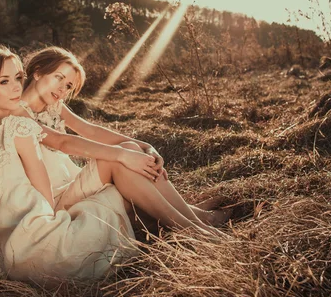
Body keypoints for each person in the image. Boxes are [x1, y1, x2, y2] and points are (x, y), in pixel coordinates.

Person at [0, 45, 145, 286]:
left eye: (18, 77)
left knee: (111, 206)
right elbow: (46, 186)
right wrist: (60, 219)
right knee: (109, 204)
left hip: (10, 256)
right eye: (4, 82)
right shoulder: (14, 126)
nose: (17, 86)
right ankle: (181, 224)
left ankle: (179, 218)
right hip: (41, 252)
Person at [16, 46, 231, 235]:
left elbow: (90, 130)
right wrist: (124, 154)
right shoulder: (17, 112)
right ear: (37, 72)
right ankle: (193, 229)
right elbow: (61, 142)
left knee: (130, 149)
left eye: (69, 86)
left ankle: (198, 218)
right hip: (51, 201)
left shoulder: (54, 106)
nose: (63, 89)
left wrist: (143, 146)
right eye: (59, 78)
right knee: (117, 158)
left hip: (69, 186)